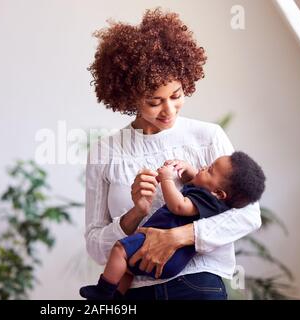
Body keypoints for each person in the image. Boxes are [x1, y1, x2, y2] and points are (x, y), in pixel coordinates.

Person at [84, 8, 262, 300]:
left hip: (197, 284)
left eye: (176, 96)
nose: (168, 110)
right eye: (154, 102)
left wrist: (176, 237)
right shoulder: (105, 152)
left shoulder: (208, 137)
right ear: (129, 97)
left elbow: (249, 215)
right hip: (135, 292)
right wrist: (135, 214)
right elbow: (94, 246)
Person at [81, 152, 266, 299]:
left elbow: (179, 206)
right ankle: (117, 296)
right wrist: (189, 170)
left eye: (209, 170)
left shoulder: (206, 200)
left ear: (219, 193)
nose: (203, 167)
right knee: (128, 270)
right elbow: (198, 184)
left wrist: (167, 179)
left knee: (120, 249)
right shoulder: (212, 198)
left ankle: (103, 291)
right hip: (171, 263)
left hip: (171, 260)